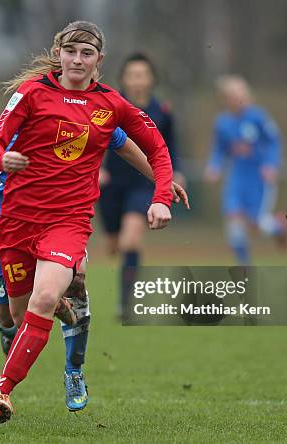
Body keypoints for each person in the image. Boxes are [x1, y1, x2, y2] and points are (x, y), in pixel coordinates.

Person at [0, 20, 174, 426]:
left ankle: (5, 391)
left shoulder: (109, 105)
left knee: (47, 296)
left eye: (87, 53)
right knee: (17, 315)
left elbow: (148, 146)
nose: (78, 60)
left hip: (67, 223)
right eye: (72, 51)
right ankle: (49, 314)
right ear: (59, 54)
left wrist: (162, 191)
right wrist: (2, 159)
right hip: (12, 220)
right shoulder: (31, 95)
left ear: (99, 61)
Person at [0, 129, 189, 412]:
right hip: (9, 225)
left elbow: (124, 144)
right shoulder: (29, 108)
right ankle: (8, 322)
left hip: (64, 223)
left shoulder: (93, 109)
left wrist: (161, 182)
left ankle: (74, 371)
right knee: (14, 315)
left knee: (76, 285)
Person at [98, 53, 186, 316]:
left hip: (144, 184)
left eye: (143, 75)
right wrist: (97, 169)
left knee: (130, 241)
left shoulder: (163, 111)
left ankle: (126, 303)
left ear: (151, 80)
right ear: (123, 79)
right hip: (111, 185)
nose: (138, 81)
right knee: (115, 244)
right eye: (132, 75)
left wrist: (176, 172)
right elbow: (96, 137)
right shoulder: (111, 106)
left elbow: (171, 147)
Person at [204, 75, 287, 265]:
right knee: (233, 221)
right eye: (232, 95)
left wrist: (271, 165)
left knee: (256, 224)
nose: (237, 99)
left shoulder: (258, 117)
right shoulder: (222, 123)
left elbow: (274, 142)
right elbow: (218, 149)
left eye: (240, 94)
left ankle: (278, 227)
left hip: (258, 178)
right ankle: (244, 267)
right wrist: (214, 167)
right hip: (236, 179)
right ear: (225, 98)